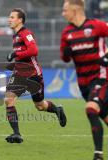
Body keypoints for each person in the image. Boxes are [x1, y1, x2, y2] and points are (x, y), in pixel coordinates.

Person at [4, 8, 67, 144]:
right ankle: (17, 134)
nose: (9, 19)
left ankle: (57, 110)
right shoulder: (15, 36)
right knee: (9, 100)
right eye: (9, 17)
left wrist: (15, 54)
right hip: (19, 74)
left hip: (33, 74)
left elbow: (34, 50)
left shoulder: (26, 33)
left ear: (20, 20)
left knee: (40, 106)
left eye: (12, 17)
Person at [60, 0, 108, 159]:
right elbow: (65, 59)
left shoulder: (97, 26)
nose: (63, 13)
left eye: (65, 9)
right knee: (104, 116)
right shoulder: (66, 33)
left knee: (91, 109)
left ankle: (98, 155)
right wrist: (66, 54)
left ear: (75, 10)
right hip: (83, 84)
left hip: (101, 78)